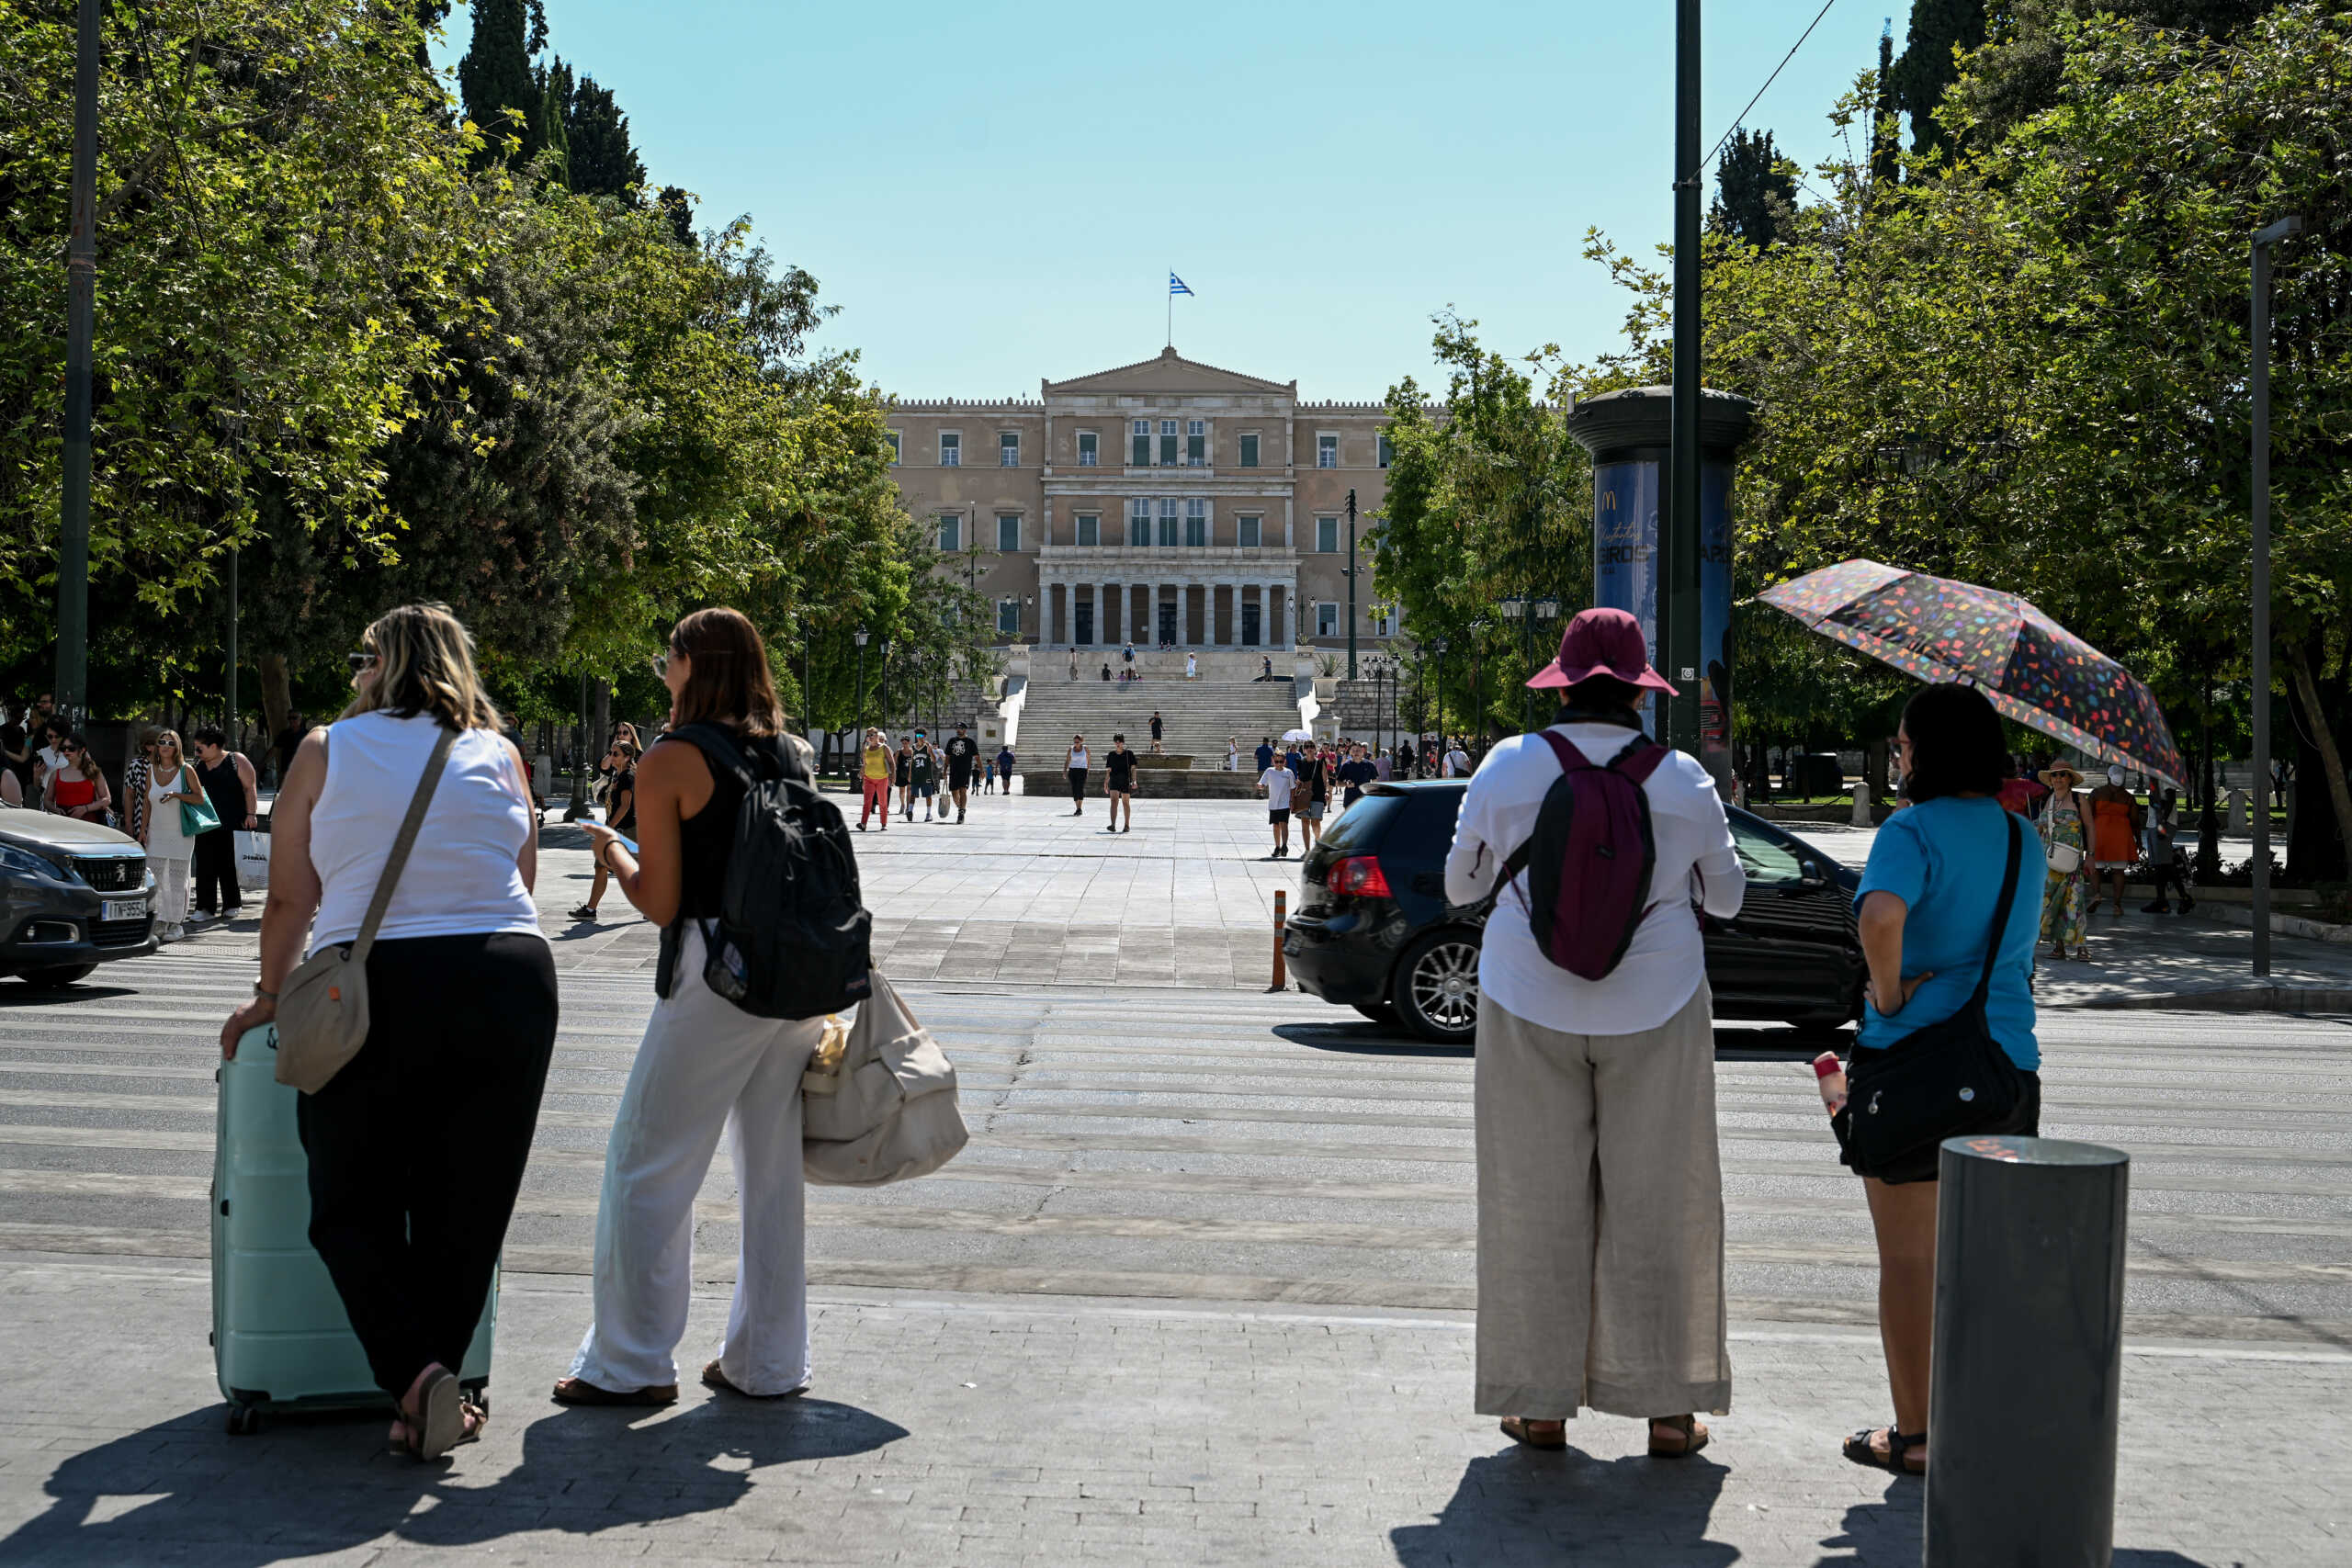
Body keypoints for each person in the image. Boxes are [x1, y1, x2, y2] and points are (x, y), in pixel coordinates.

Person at [217, 603, 554, 1461]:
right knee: (468, 1204)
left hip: (377, 988)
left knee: (347, 1201)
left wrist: (267, 993)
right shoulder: (502, 754)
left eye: (364, 656)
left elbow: (292, 895)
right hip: (511, 976)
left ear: (386, 663)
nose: (355, 671)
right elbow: (520, 876)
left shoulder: (327, 749)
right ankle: (431, 1400)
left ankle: (415, 1380)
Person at [1442, 606, 1742, 1462]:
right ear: (1641, 691)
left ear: (1564, 681)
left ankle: (1539, 1405)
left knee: (1531, 1202)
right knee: (1663, 1202)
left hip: (1525, 996)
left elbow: (1464, 888)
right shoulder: (1684, 778)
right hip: (1659, 1000)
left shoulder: (1508, 764)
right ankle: (1669, 1410)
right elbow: (1724, 902)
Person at [557, 607, 821, 1410]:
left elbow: (662, 899)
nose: (659, 667)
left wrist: (609, 846)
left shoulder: (670, 759)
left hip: (714, 972)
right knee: (772, 1172)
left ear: (691, 666)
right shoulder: (791, 751)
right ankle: (767, 1360)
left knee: (646, 1160)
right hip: (793, 975)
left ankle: (631, 1359)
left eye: (667, 656)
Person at [1841, 682, 2045, 1476]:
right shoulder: (2022, 834)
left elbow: (1880, 917)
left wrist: (1889, 994)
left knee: (1909, 1260)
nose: (1897, 755)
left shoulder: (1910, 827)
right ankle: (1979, 1419)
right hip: (2008, 1066)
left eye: (1901, 743)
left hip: (1916, 1066)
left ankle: (1918, 1434)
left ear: (1926, 751)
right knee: (1980, 1257)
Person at [140, 730, 207, 942]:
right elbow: (147, 802)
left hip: (180, 832)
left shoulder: (186, 770)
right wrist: (143, 829)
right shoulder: (151, 770)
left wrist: (177, 795)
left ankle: (176, 924)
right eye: (162, 742)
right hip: (156, 831)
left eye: (170, 742)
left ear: (177, 747)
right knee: (157, 877)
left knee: (178, 880)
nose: (166, 745)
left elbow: (200, 799)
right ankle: (160, 920)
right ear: (157, 746)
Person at [191, 727, 260, 924]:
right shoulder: (198, 764)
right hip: (206, 823)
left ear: (213, 746)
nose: (196, 752)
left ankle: (232, 904)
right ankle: (205, 907)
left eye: (199, 748)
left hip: (233, 820)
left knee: (229, 863)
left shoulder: (236, 759)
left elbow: (250, 787)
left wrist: (251, 814)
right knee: (204, 864)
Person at [572, 738, 639, 921]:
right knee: (600, 867)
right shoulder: (616, 775)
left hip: (627, 830)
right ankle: (591, 910)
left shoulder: (628, 777)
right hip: (616, 829)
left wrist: (610, 828)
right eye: (611, 752)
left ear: (627, 758)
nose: (612, 756)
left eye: (615, 753)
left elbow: (625, 806)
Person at [2036, 764, 2092, 961]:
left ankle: (2081, 946)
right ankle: (2058, 946)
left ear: (2069, 779)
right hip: (2050, 861)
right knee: (2053, 903)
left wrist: (2091, 855)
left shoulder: (2079, 799)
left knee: (2074, 902)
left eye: (2062, 775)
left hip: (2072, 860)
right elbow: (2041, 826)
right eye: (2054, 775)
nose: (2058, 778)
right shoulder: (2049, 800)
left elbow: (2090, 827)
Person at [2087, 766, 2142, 915]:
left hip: (2100, 833)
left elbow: (2088, 816)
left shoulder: (2097, 793)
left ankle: (2097, 895)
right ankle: (2117, 905)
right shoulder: (2128, 797)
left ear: (2108, 777)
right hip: (2121, 835)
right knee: (2118, 871)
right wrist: (2139, 842)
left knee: (2095, 868)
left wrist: (2085, 838)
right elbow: (2135, 821)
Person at [2141, 786, 2196, 914]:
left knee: (2164, 864)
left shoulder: (2164, 779)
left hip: (2161, 825)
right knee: (2161, 865)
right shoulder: (2155, 778)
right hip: (2154, 824)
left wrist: (2162, 823)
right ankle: (2163, 901)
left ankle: (2179, 899)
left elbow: (2170, 801)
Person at [41, 734, 111, 823]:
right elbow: (47, 800)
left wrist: (85, 809)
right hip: (62, 825)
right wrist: (55, 810)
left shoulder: (94, 773)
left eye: (71, 748)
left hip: (88, 826)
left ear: (82, 750)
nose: (66, 751)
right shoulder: (55, 774)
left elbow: (107, 799)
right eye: (63, 748)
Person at [1256, 750, 1296, 857]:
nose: (1279, 764)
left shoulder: (1288, 772)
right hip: (1273, 803)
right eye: (1277, 761)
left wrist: (1292, 801)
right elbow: (1263, 783)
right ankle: (1277, 847)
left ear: (1285, 762)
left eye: (1281, 762)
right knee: (1275, 826)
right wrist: (1260, 785)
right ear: (1273, 761)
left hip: (1285, 803)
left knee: (1284, 824)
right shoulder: (1269, 771)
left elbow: (1293, 788)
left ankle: (1284, 845)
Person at [1295, 745, 1329, 852]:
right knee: (1304, 822)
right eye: (1307, 747)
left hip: (1318, 794)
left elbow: (1325, 779)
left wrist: (1326, 792)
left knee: (1315, 822)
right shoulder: (1300, 762)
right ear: (1304, 750)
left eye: (1312, 746)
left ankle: (1318, 840)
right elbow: (1299, 778)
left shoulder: (1320, 762)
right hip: (1304, 795)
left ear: (1315, 749)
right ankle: (1307, 850)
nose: (1309, 748)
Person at [856, 728, 891, 830]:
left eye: (872, 734)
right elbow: (865, 764)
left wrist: (893, 776)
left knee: (882, 802)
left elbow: (891, 762)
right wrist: (862, 778)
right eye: (868, 735)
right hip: (868, 778)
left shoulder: (884, 747)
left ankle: (883, 824)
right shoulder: (866, 749)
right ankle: (863, 824)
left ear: (877, 735)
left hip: (882, 778)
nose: (870, 737)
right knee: (867, 803)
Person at [944, 724, 978, 823]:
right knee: (954, 793)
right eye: (957, 728)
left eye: (961, 729)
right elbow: (947, 757)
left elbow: (977, 757)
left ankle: (961, 812)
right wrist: (944, 770)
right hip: (954, 770)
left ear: (965, 730)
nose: (958, 730)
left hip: (965, 770)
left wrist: (982, 770)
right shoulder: (951, 741)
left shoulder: (970, 742)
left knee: (963, 790)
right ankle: (961, 807)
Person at [1104, 734, 1136, 833]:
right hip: (1114, 780)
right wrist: (1106, 782)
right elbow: (1109, 770)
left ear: (1123, 742)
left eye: (1120, 741)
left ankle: (1127, 825)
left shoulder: (1129, 753)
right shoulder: (1111, 754)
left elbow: (1133, 769)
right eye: (1116, 741)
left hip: (1125, 780)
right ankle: (1113, 825)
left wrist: (1134, 780)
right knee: (1113, 802)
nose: (1118, 743)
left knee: (1125, 803)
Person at [908, 731, 939, 823]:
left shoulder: (928, 746)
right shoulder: (913, 747)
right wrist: (909, 774)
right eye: (918, 735)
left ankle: (928, 814)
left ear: (925, 736)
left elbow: (934, 760)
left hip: (926, 775)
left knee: (928, 795)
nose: (919, 737)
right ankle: (910, 811)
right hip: (915, 775)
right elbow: (911, 762)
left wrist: (931, 751)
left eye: (921, 735)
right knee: (913, 795)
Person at [272, 712, 307, 788]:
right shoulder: (284, 734)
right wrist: (262, 764)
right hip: (287, 771)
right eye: (289, 718)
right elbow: (274, 749)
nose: (291, 720)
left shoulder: (307, 734)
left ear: (300, 720)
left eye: (294, 718)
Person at [1066, 735, 1090, 816]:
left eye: (1077, 742)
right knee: (1074, 789)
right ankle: (1078, 808)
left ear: (1081, 741)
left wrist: (1087, 770)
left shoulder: (1085, 748)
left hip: (1082, 770)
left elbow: (1088, 759)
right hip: (1072, 770)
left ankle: (1079, 808)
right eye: (1075, 742)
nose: (1076, 743)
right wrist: (1064, 771)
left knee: (1080, 788)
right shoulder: (1071, 749)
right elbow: (1067, 760)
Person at [893, 736, 914, 821]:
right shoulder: (899, 751)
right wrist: (893, 774)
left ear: (909, 742)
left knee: (909, 790)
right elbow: (894, 763)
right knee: (902, 791)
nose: (904, 744)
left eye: (906, 742)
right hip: (901, 774)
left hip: (910, 773)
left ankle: (908, 808)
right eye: (903, 743)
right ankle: (902, 804)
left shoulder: (912, 752)